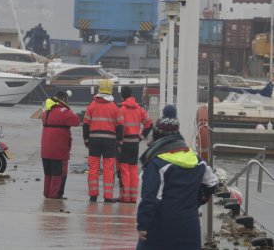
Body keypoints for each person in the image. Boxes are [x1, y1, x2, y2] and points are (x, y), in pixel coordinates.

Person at [136, 105, 218, 250]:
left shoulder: (156, 164)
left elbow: (150, 198)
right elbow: (212, 183)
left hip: (160, 230)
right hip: (190, 228)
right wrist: (198, 200)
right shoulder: (198, 162)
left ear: (157, 137)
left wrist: (143, 225)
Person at [83, 79, 124, 203]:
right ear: (111, 90)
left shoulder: (92, 105)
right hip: (110, 142)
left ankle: (93, 195)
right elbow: (120, 126)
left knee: (93, 168)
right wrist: (119, 142)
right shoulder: (114, 107)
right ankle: (108, 196)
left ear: (99, 89)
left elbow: (85, 124)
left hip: (94, 141)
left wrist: (86, 140)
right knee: (108, 168)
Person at [41, 91, 80, 199]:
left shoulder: (46, 111)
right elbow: (76, 121)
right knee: (58, 174)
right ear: (63, 98)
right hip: (59, 149)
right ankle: (55, 195)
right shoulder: (64, 112)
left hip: (46, 149)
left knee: (48, 174)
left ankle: (47, 194)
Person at [117, 86, 152, 203]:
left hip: (125, 143)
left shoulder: (121, 109)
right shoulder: (139, 109)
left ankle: (125, 196)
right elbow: (149, 124)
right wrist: (141, 137)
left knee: (124, 169)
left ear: (122, 96)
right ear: (131, 95)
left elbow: (118, 127)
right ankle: (133, 197)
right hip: (135, 143)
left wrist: (118, 142)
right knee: (133, 168)